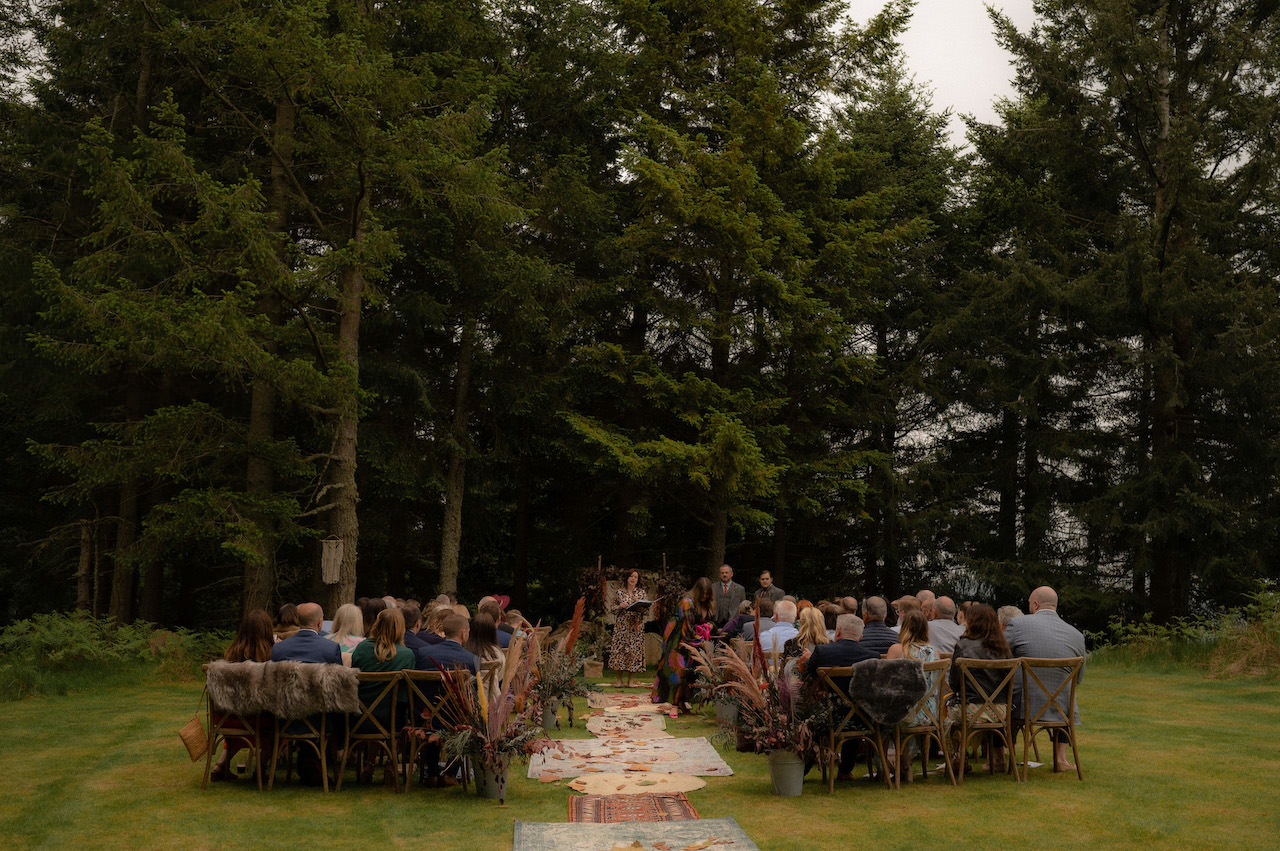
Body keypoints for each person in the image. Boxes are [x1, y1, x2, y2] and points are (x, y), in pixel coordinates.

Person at [1004, 586, 1085, 772]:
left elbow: (1000, 659)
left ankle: (1000, 755)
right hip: (1062, 705)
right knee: (1067, 695)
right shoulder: (1077, 635)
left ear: (1035, 604)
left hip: (1023, 704)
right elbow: (1078, 679)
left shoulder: (1018, 625)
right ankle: (1061, 759)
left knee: (1000, 695)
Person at [801, 614, 879, 781]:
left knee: (820, 715)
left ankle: (800, 771)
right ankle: (844, 770)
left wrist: (808, 660)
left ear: (837, 632)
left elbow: (807, 675)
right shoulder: (873, 657)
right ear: (861, 636)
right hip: (864, 717)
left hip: (828, 717)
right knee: (853, 709)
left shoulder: (822, 652)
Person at [209, 609, 274, 781]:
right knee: (279, 724)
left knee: (241, 722)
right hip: (257, 718)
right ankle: (261, 767)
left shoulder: (231, 654)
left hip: (226, 717)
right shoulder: (271, 656)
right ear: (268, 631)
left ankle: (221, 764)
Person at [946, 603, 1014, 770]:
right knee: (987, 704)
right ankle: (998, 758)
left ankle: (958, 758)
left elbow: (954, 684)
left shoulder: (963, 646)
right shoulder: (1003, 649)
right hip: (1001, 711)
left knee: (946, 711)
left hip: (971, 710)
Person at [886, 609, 939, 782]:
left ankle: (889, 768)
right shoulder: (934, 652)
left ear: (904, 628)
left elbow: (886, 683)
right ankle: (906, 763)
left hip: (905, 713)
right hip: (929, 713)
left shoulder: (896, 650)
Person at [652, 576, 714, 711]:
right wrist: (698, 639)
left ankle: (680, 701)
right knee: (677, 669)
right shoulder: (687, 602)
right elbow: (687, 625)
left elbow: (699, 622)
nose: (704, 597)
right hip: (677, 637)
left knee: (687, 671)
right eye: (702, 594)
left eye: (707, 594)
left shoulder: (702, 604)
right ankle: (673, 702)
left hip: (687, 638)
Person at [609, 570, 648, 688]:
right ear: (627, 578)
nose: (633, 579)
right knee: (620, 651)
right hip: (622, 626)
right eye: (631, 576)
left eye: (635, 577)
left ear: (637, 580)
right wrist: (620, 606)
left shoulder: (641, 593)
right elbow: (612, 609)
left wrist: (639, 604)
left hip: (636, 626)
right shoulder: (619, 592)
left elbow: (646, 611)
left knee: (634, 652)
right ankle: (619, 680)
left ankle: (631, 681)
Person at [272, 603, 342, 664]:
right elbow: (338, 676)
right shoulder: (332, 649)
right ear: (319, 623)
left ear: (298, 621)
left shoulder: (278, 648)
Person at [464, 612, 506, 705]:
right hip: (492, 701)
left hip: (467, 701)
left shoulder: (464, 651)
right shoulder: (497, 653)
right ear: (492, 631)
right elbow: (500, 677)